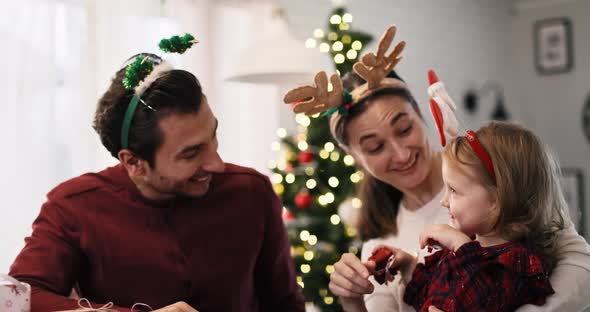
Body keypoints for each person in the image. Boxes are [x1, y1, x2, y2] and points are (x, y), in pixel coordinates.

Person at [282, 26, 590, 312]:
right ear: (353, 156)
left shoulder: (491, 176)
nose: (401, 154)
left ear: (421, 114)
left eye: (404, 129)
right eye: (375, 147)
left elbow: (579, 267)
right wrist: (352, 301)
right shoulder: (380, 246)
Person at [8, 35, 305, 312]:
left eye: (213, 136)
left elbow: (285, 304)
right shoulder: (73, 206)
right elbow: (17, 300)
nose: (216, 163)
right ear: (133, 162)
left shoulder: (252, 192)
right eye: (190, 153)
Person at [374, 121, 562, 311]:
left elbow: (483, 300)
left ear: (496, 200)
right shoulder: (466, 251)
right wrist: (409, 268)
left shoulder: (517, 262)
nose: (444, 201)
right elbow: (434, 297)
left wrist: (460, 245)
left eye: (454, 190)